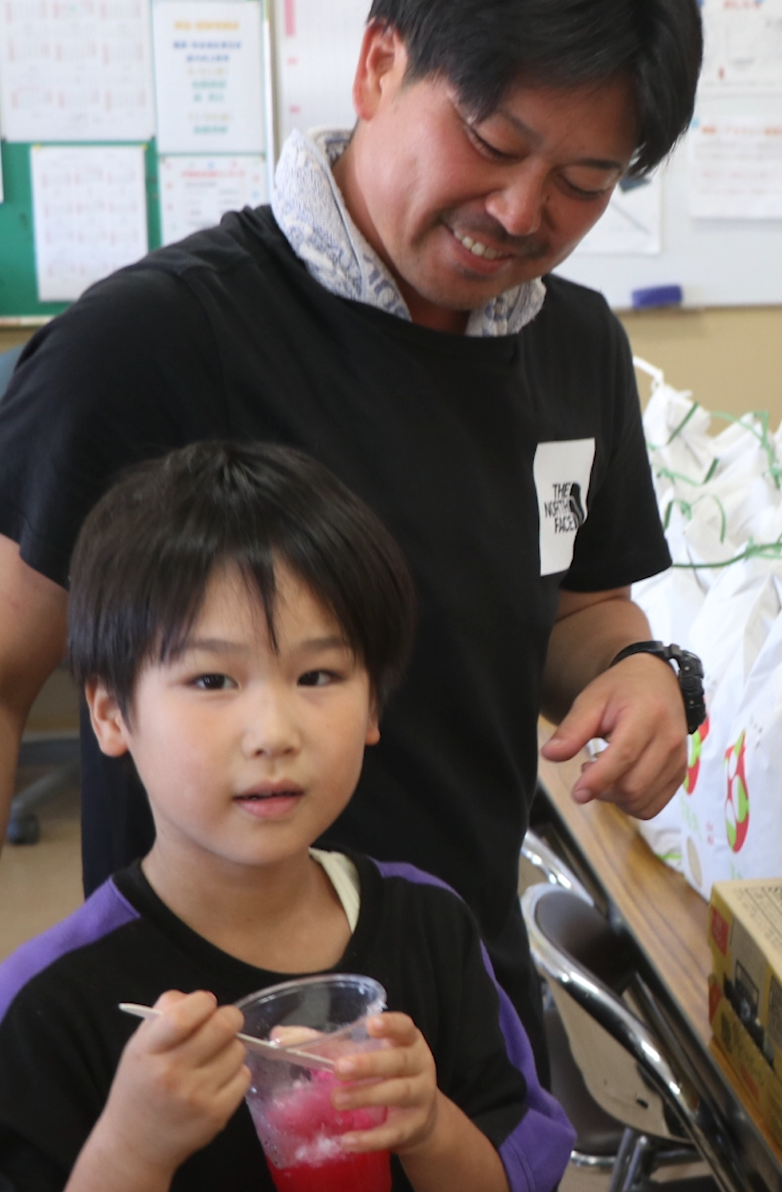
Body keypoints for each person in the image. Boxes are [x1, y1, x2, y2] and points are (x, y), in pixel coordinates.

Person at [0, 0, 703, 1075]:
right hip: (202, 1043)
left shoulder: (576, 351)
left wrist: (640, 669)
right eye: (492, 142)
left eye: (583, 181)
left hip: (457, 999)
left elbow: (579, 606)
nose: (520, 210)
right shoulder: (146, 346)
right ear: (379, 65)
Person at [0, 441, 574, 1192]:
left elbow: (513, 1173)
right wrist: (130, 1149)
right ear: (111, 713)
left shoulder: (432, 927)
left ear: (373, 705)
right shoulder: (47, 1004)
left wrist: (430, 1125)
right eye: (212, 679)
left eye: (318, 675)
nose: (274, 733)